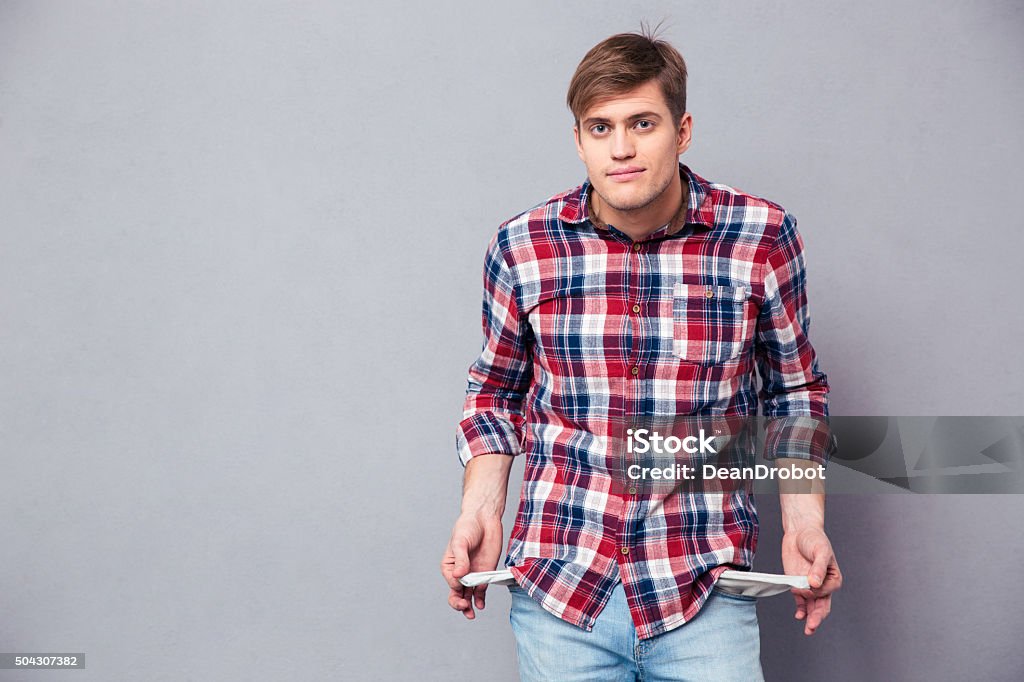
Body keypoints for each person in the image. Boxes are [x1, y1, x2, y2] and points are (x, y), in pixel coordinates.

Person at [440, 28, 842, 681]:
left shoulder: (759, 238)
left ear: (681, 131)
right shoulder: (523, 247)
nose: (620, 148)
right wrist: (479, 510)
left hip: (703, 592)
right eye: (599, 128)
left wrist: (804, 519)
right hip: (560, 595)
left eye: (642, 123)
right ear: (578, 140)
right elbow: (494, 394)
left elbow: (794, 395)